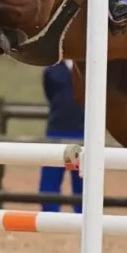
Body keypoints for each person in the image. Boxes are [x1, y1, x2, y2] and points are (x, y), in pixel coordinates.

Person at [38, 59, 84, 213]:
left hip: (80, 132)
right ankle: (50, 211)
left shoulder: (86, 68)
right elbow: (49, 93)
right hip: (57, 131)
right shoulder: (52, 69)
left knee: (80, 177)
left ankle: (81, 213)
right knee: (52, 175)